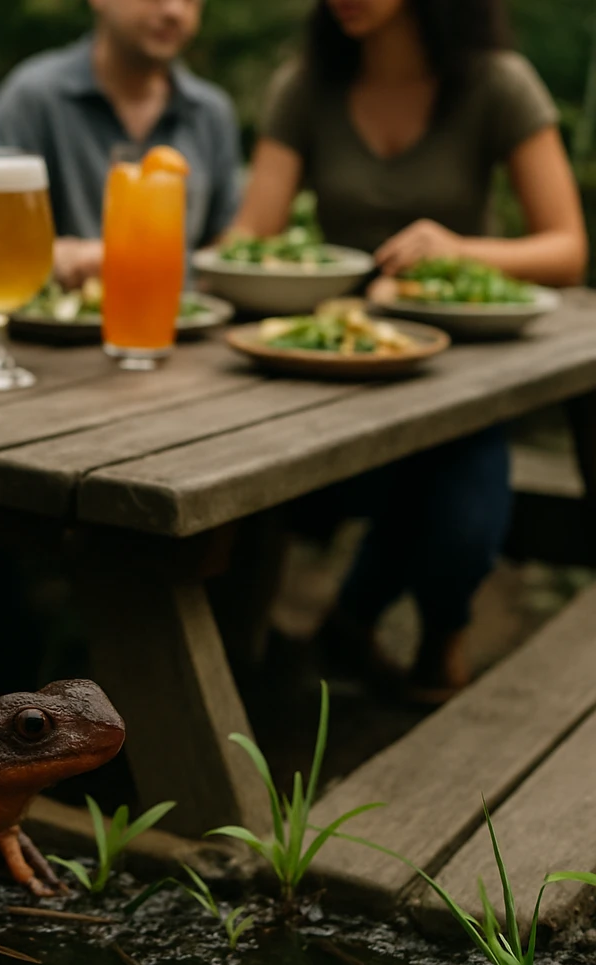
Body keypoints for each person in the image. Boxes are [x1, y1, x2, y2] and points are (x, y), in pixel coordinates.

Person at [234, 0, 588, 702]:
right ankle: (264, 656)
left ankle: (401, 628)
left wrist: (459, 250)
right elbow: (249, 240)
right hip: (330, 370)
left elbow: (568, 250)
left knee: (464, 522)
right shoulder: (304, 84)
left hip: (460, 371)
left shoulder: (499, 82)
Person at [0, 0, 241, 288]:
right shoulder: (33, 100)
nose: (174, 11)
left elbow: (222, 248)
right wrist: (54, 258)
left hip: (176, 325)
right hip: (53, 326)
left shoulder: (212, 113)